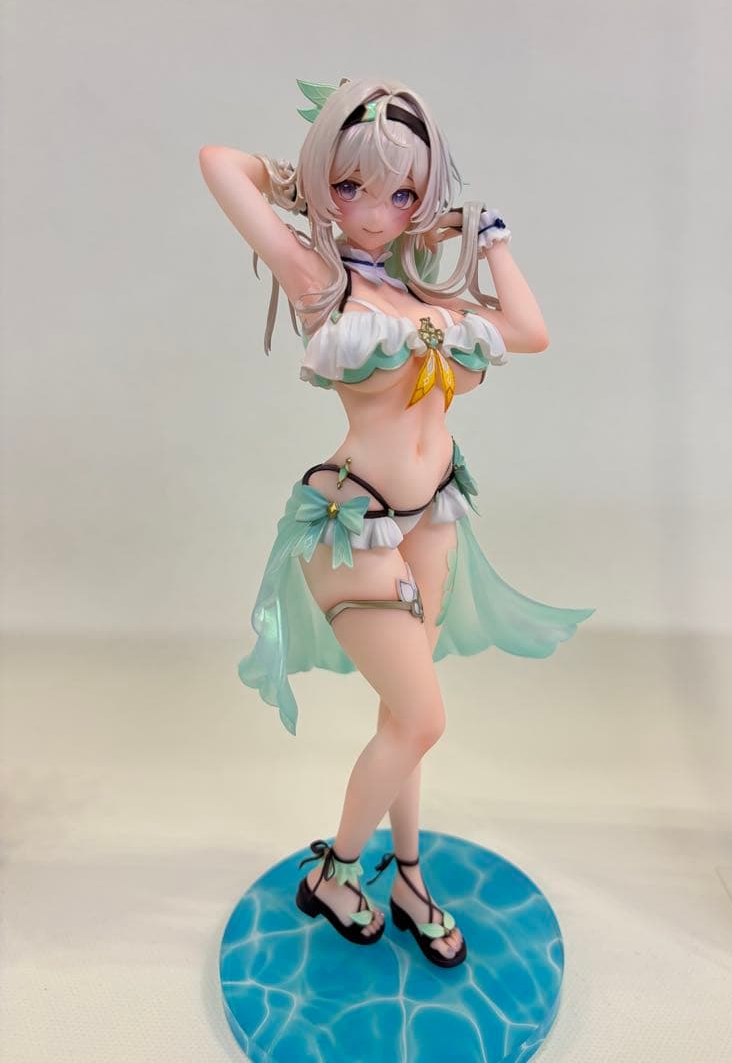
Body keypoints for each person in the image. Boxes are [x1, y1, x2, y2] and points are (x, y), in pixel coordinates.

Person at [198, 77, 595, 968]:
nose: (376, 212)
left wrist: (487, 241)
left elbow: (530, 331)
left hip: (433, 513)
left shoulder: (428, 299)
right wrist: (306, 182)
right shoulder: (321, 279)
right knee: (422, 719)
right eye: (354, 188)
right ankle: (336, 872)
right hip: (355, 526)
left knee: (400, 715)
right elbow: (218, 163)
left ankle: (408, 876)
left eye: (402, 194)